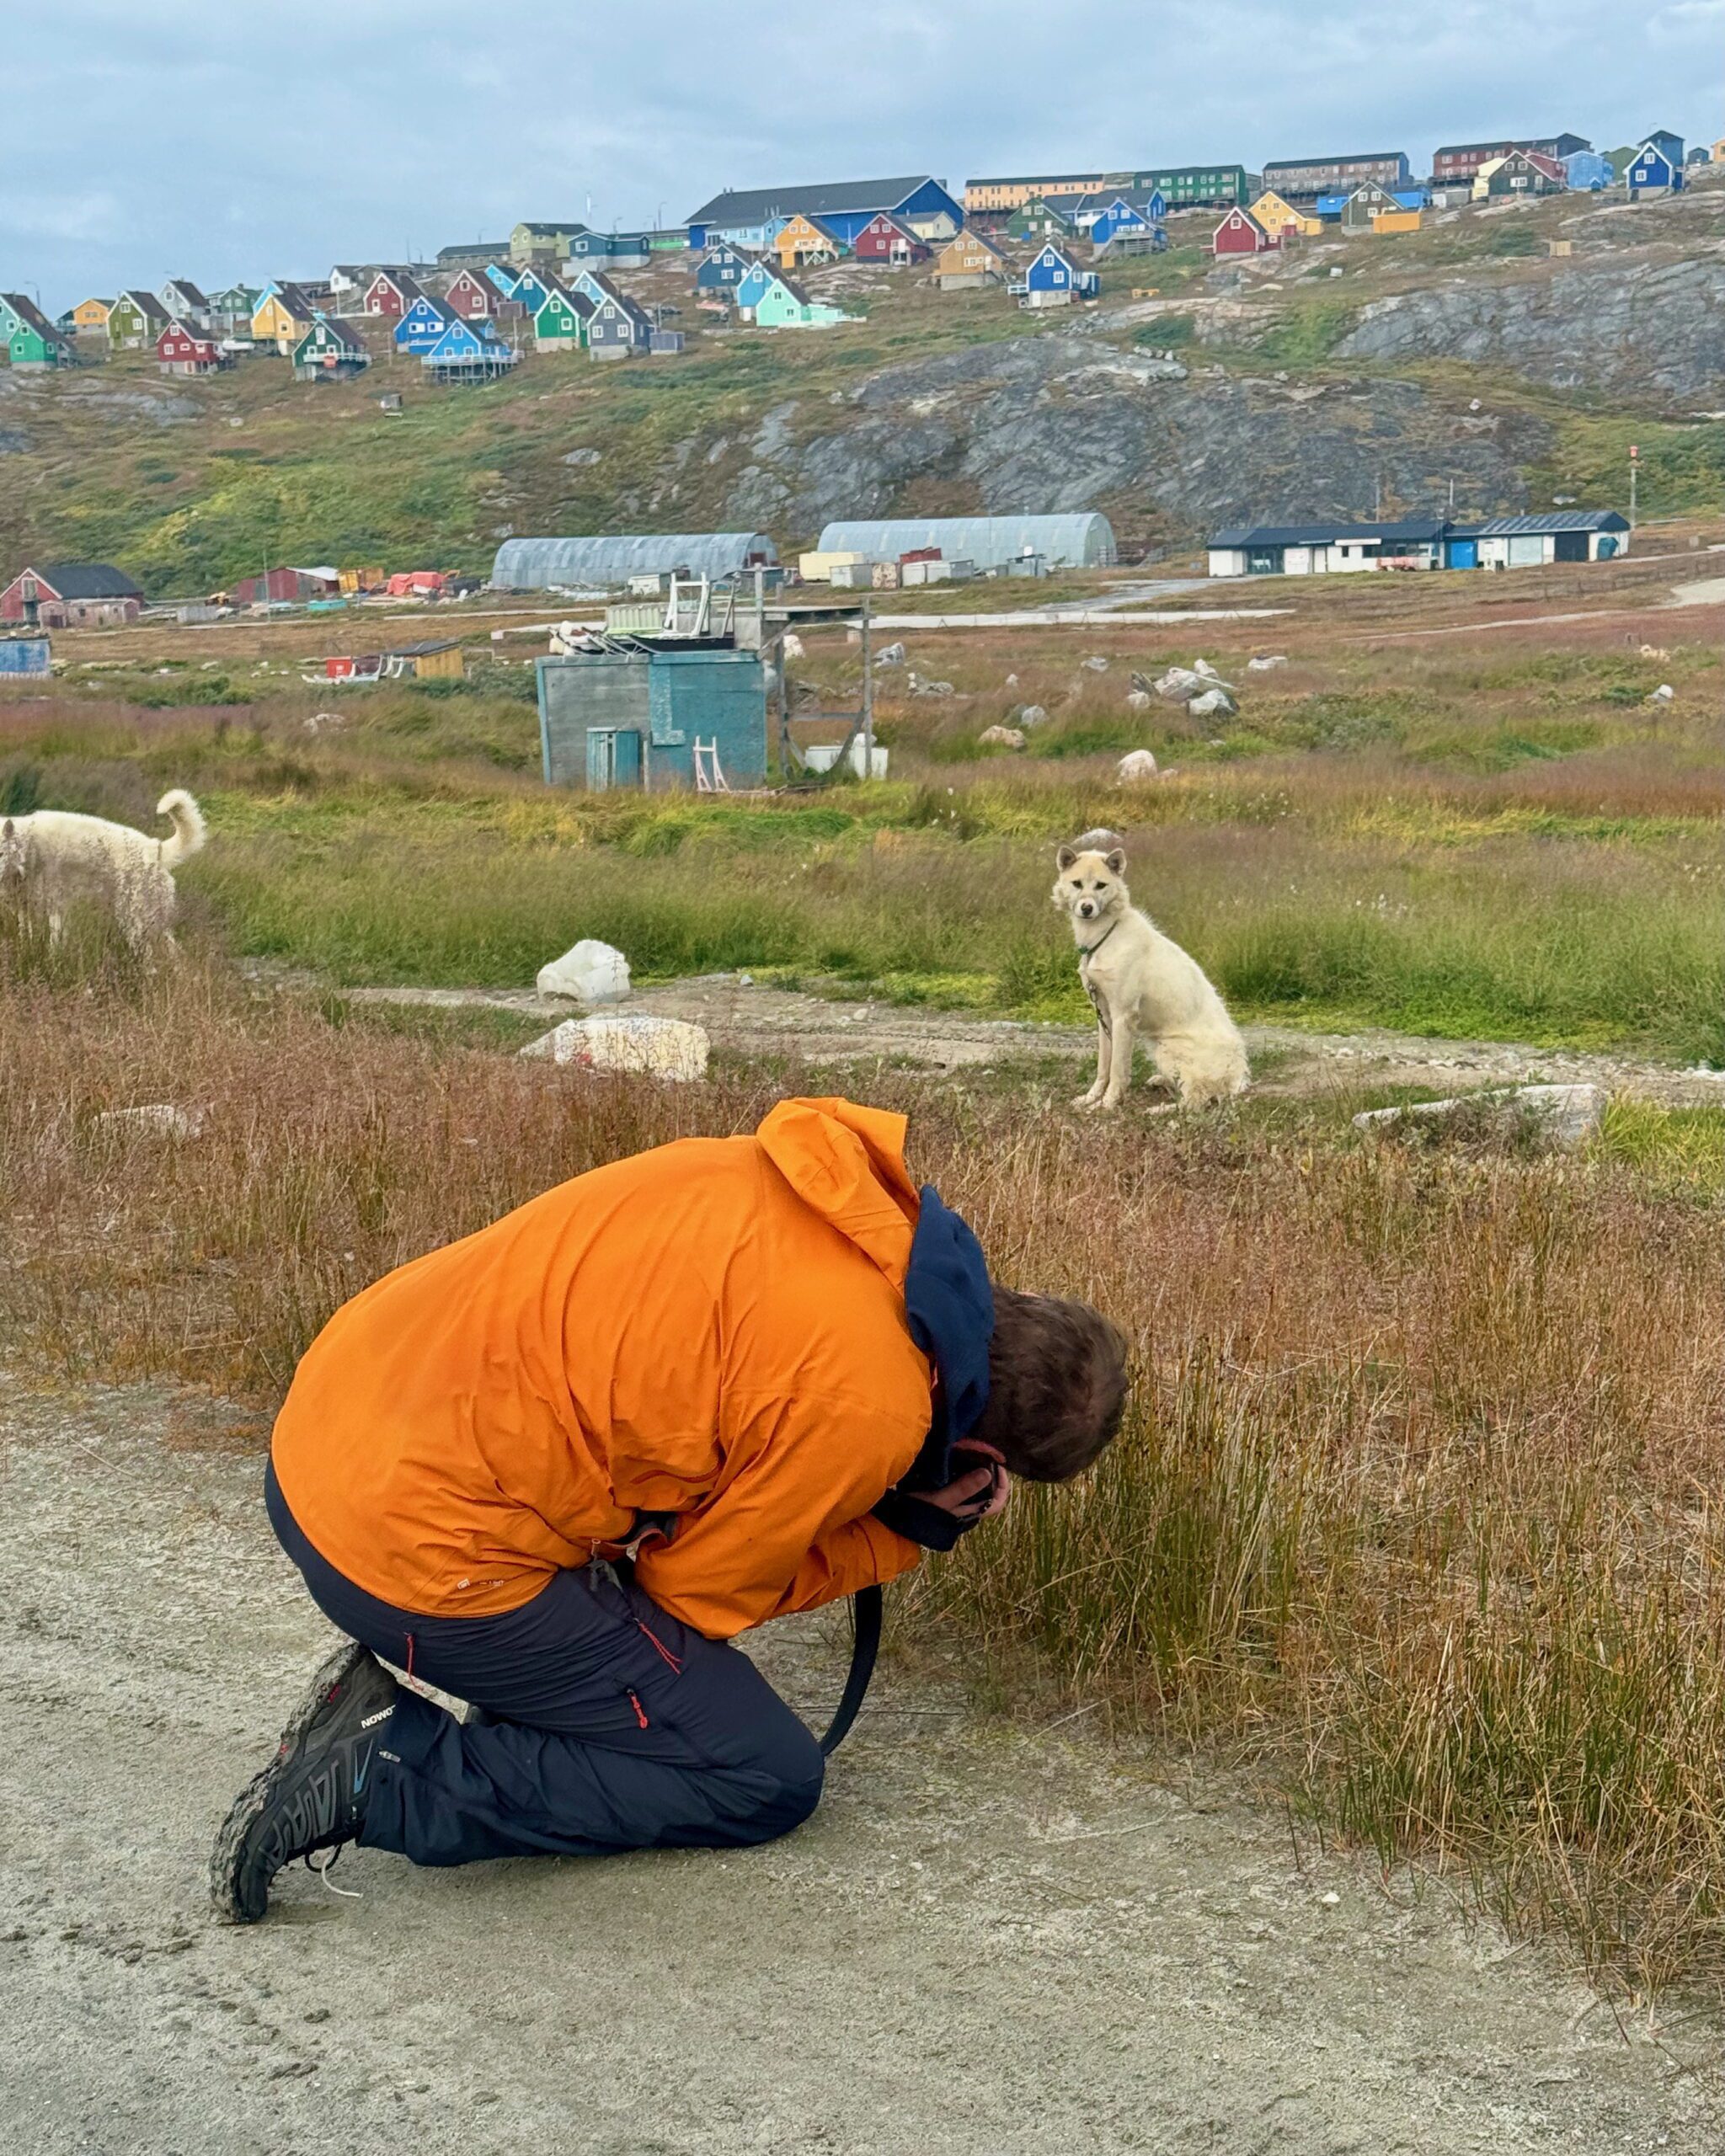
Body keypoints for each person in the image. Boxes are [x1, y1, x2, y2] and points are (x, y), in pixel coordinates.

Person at [211, 1097, 1129, 1923]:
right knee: (764, 1773)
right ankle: (381, 1771)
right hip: (411, 1547)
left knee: (628, 1647)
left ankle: (511, 1710)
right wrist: (893, 1530)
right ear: (980, 1453)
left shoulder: (820, 1181)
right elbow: (689, 1596)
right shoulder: (871, 1403)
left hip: (326, 1428)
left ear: (1021, 1300)